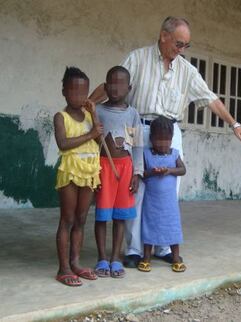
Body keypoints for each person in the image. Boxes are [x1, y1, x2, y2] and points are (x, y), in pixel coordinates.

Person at [89, 16, 241, 268]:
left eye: (185, 46)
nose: (181, 50)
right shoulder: (138, 58)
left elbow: (210, 98)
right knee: (135, 190)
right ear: (163, 35)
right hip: (137, 126)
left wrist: (235, 124)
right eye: (178, 44)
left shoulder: (187, 71)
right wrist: (87, 107)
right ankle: (134, 249)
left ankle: (163, 246)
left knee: (167, 192)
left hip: (170, 132)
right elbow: (114, 84)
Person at [54, 67, 103, 286]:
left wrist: (93, 113)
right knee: (68, 219)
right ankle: (63, 268)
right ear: (64, 92)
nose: (79, 97)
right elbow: (63, 145)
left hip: (89, 172)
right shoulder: (60, 117)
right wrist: (90, 134)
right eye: (74, 92)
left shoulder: (89, 117)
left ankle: (76, 263)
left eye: (84, 92)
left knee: (82, 219)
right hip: (71, 171)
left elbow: (100, 141)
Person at [94, 66, 144, 278]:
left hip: (125, 169)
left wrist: (137, 172)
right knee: (102, 216)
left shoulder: (132, 114)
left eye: (121, 83)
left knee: (120, 217)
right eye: (111, 83)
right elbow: (93, 140)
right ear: (105, 87)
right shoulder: (97, 112)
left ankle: (115, 258)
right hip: (103, 167)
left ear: (129, 88)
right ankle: (102, 258)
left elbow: (137, 145)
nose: (116, 88)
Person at [137, 116, 187, 273]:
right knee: (149, 227)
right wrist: (152, 172)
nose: (163, 144)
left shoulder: (174, 154)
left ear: (172, 139)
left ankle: (176, 257)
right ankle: (146, 258)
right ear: (151, 139)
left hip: (170, 204)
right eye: (159, 139)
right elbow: (142, 173)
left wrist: (169, 171)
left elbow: (183, 170)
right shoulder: (147, 154)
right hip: (151, 203)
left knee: (172, 228)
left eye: (167, 140)